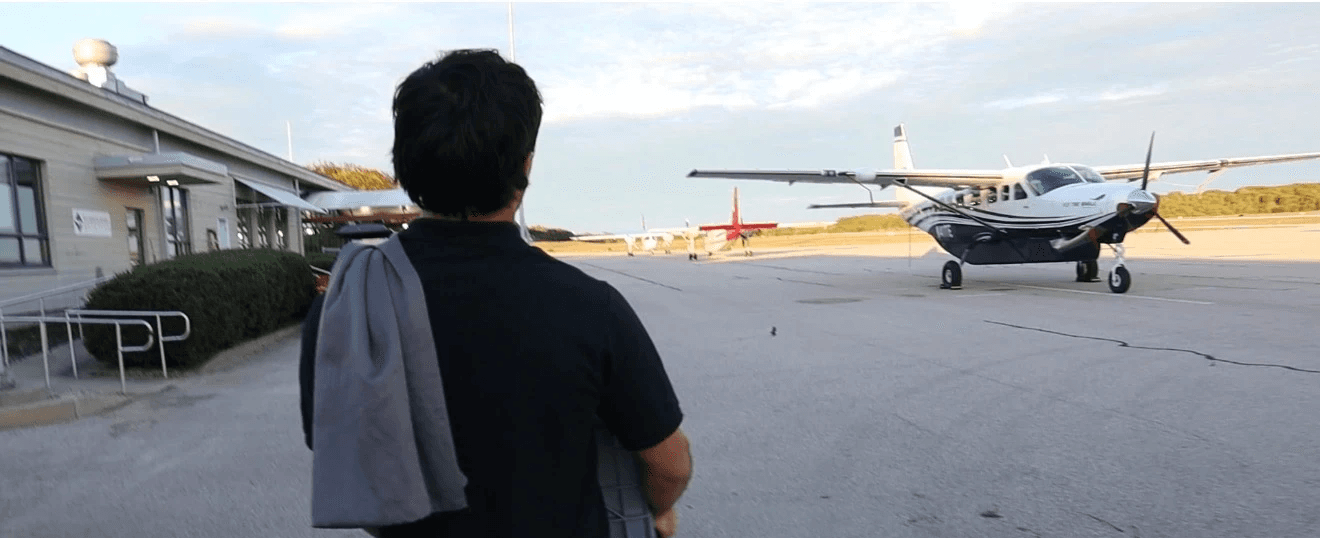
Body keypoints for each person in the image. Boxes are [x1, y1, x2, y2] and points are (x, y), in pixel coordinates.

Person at [298, 49, 692, 538]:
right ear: (524, 167)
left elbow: (341, 441)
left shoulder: (346, 306)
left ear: (403, 169)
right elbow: (669, 463)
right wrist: (659, 510)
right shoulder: (591, 306)